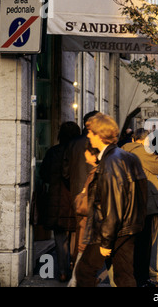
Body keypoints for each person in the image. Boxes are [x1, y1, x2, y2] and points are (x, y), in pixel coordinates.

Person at [75, 113, 148, 287]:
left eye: (91, 132)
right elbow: (141, 194)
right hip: (128, 228)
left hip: (109, 229)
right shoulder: (127, 156)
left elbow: (113, 206)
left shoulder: (110, 162)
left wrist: (106, 241)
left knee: (84, 271)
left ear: (100, 134)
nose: (88, 136)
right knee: (124, 275)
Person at [122, 128, 158, 286]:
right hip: (145, 205)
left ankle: (137, 277)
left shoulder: (123, 150)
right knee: (144, 245)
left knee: (133, 245)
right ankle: (141, 279)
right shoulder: (142, 152)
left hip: (129, 203)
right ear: (145, 141)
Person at [40, 121, 81, 282]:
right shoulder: (78, 153)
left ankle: (63, 271)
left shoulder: (53, 152)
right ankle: (73, 265)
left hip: (56, 203)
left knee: (59, 238)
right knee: (75, 236)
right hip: (74, 201)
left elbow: (43, 174)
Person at [62, 110, 99, 286]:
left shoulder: (73, 143)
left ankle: (78, 273)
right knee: (95, 235)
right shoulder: (99, 143)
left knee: (81, 234)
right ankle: (83, 275)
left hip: (78, 194)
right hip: (97, 195)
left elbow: (65, 171)